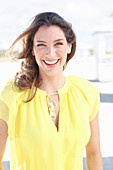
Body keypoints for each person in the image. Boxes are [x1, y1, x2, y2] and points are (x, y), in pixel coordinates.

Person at [0, 12, 103, 170]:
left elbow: (94, 154)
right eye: (41, 44)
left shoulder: (86, 91)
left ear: (69, 46)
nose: (50, 53)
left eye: (58, 44)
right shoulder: (13, 94)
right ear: (32, 49)